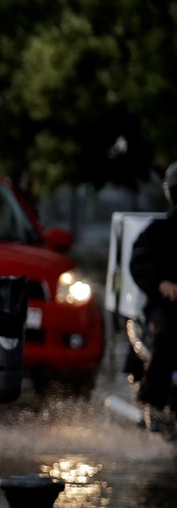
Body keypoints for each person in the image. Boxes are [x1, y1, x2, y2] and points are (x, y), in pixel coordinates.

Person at [129, 160, 177, 432]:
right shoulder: (158, 231)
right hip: (165, 307)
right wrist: (161, 284)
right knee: (168, 337)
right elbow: (139, 261)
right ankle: (154, 405)